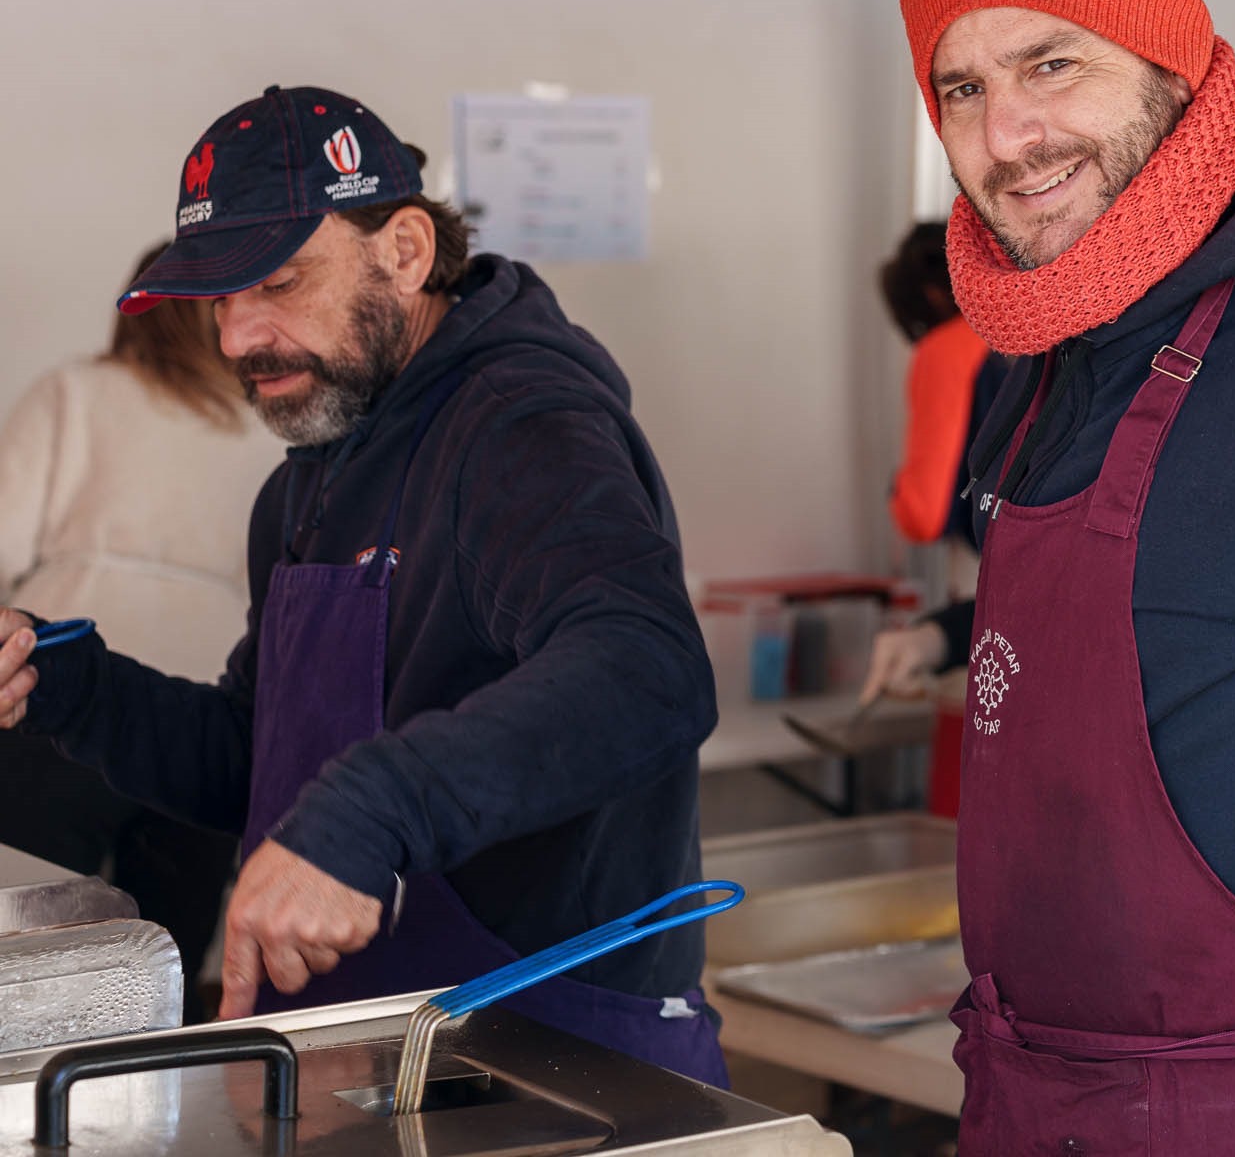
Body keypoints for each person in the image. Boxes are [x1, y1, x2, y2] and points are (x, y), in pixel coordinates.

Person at [0, 85, 725, 1086]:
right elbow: (254, 760)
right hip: (366, 1061)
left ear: (406, 252)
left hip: (545, 1062)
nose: (237, 338)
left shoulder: (521, 426)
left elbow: (648, 672)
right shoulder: (307, 479)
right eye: (219, 300)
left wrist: (370, 811)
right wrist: (71, 686)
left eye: (279, 282)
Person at [881, 0, 1235, 1153]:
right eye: (962, 88)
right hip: (1036, 1107)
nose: (1007, 137)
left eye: (1051, 64)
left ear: (1174, 65)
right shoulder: (1048, 355)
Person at [0, 243, 282, 1021]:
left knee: (22, 968)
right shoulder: (273, 428)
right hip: (204, 730)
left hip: (60, 699)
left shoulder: (75, 393)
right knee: (159, 981)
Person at [879, 220, 1008, 590]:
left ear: (932, 295)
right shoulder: (1031, 332)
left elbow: (925, 513)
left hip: (990, 566)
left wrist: (897, 493)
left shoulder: (947, 350)